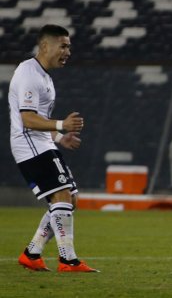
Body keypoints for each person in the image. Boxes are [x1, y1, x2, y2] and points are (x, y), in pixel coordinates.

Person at [10, 25, 97, 273]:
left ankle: (32, 253)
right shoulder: (28, 73)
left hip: (42, 143)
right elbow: (27, 119)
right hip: (30, 145)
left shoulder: (43, 76)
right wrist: (61, 124)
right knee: (61, 197)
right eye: (63, 45)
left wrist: (59, 137)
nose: (68, 51)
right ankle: (67, 260)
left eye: (68, 46)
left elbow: (39, 119)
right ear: (45, 46)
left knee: (69, 199)